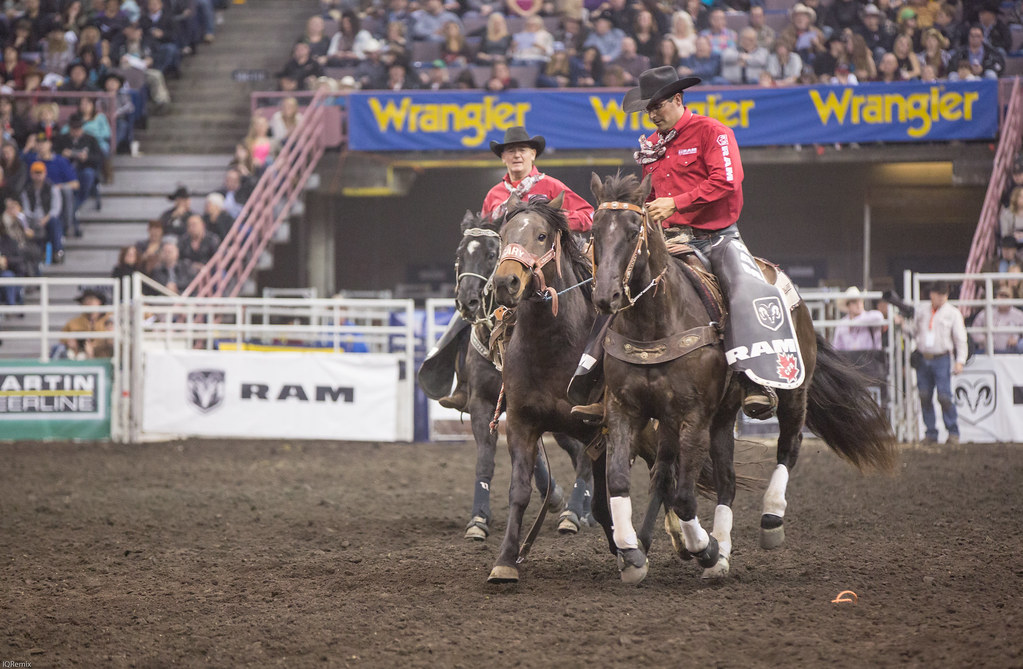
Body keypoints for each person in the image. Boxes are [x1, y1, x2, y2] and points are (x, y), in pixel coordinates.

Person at [572, 66, 805, 420]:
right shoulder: (651, 145)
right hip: (665, 240)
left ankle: (755, 381)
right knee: (614, 286)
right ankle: (602, 387)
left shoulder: (713, 132)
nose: (652, 115)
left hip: (716, 239)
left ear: (678, 99)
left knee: (746, 290)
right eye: (647, 110)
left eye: (658, 106)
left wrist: (677, 203)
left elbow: (727, 181)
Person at [426, 126, 595, 411]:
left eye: (522, 150)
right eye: (510, 151)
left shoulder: (551, 186)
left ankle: (596, 376)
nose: (516, 154)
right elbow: (486, 236)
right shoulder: (494, 194)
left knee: (595, 299)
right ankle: (465, 383)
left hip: (548, 270)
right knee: (469, 307)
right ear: (503, 157)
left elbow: (589, 214)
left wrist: (558, 221)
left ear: (532, 155)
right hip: (506, 271)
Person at [901, 281, 967, 445]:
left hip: (941, 357)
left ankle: (952, 432)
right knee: (925, 395)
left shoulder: (952, 313)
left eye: (944, 294)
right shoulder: (922, 311)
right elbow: (914, 331)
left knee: (944, 396)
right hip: (924, 357)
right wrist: (903, 324)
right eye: (939, 294)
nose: (942, 297)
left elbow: (960, 339)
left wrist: (960, 361)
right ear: (932, 294)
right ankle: (931, 432)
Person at [21, 160, 64, 264]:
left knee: (54, 222)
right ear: (31, 174)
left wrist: (45, 218)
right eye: (35, 173)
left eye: (40, 173)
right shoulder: (26, 190)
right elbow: (26, 210)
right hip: (32, 220)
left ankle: (58, 251)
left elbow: (56, 208)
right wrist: (35, 219)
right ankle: (36, 255)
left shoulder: (52, 188)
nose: (38, 176)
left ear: (45, 173)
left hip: (48, 219)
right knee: (27, 224)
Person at [61, 288, 113, 359]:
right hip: (80, 356)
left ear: (100, 302)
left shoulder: (110, 318)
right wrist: (70, 342)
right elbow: (63, 338)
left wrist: (94, 346)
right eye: (85, 300)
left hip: (104, 356)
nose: (87, 303)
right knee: (60, 350)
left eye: (91, 300)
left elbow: (112, 340)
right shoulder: (74, 322)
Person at [971, 285, 1023, 354]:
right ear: (996, 296)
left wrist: (1017, 339)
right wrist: (984, 339)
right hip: (987, 351)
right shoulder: (985, 313)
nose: (1003, 298)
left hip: (1011, 352)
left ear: (1012, 298)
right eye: (1001, 295)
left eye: (1006, 296)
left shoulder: (1019, 315)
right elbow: (974, 331)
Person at [832, 286, 886, 350]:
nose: (858, 304)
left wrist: (853, 322)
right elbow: (836, 347)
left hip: (870, 358)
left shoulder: (870, 316)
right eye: (854, 301)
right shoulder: (842, 325)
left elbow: (879, 317)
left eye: (860, 301)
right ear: (848, 305)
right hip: (849, 358)